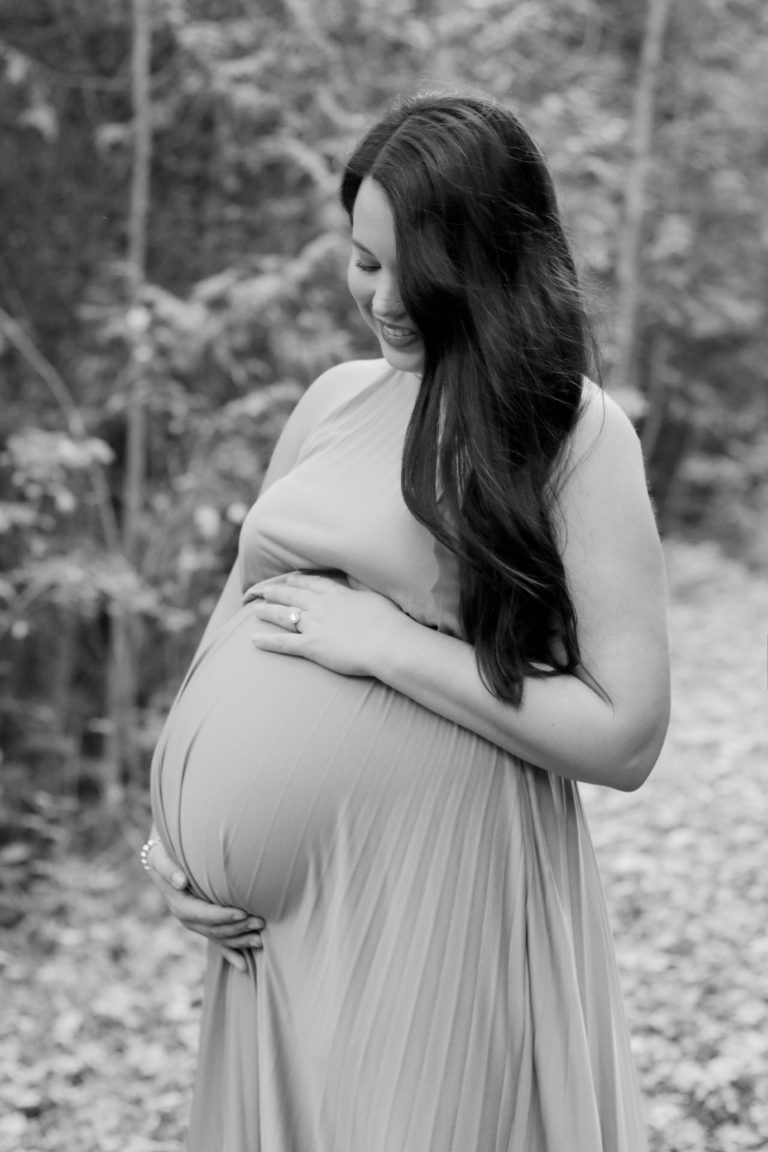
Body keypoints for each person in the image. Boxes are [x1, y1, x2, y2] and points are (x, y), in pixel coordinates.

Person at [143, 91, 670, 1152]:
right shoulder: (332, 401)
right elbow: (239, 605)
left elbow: (628, 736)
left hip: (435, 897)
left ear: (488, 263)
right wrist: (174, 841)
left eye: (410, 272)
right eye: (362, 260)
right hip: (268, 939)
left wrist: (387, 644)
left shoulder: (573, 436)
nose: (380, 299)